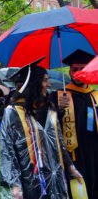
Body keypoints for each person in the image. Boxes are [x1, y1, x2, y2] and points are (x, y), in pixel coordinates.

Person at [0, 59, 81, 199]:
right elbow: (7, 151)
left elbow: (58, 142)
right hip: (29, 181)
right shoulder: (13, 112)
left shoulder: (50, 109)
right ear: (34, 83)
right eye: (44, 80)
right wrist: (15, 184)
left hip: (55, 177)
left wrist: (70, 167)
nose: (48, 85)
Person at [50, 49, 98, 199]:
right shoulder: (59, 95)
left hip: (94, 152)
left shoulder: (95, 96)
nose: (78, 73)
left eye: (82, 69)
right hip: (72, 154)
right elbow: (46, 126)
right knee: (75, 190)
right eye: (74, 69)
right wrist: (57, 109)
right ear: (70, 72)